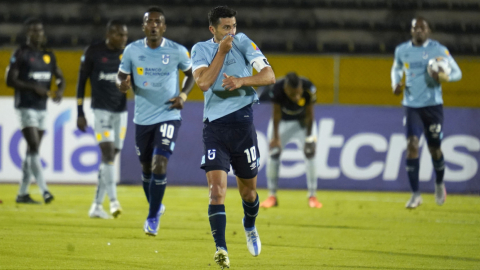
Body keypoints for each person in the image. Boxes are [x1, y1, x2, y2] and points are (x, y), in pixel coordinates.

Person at [191, 6, 276, 269]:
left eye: (233, 26)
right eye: (226, 27)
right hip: (215, 129)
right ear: (212, 30)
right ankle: (221, 249)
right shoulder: (200, 50)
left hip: (243, 128)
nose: (231, 31)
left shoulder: (243, 42)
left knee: (249, 194)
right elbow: (204, 83)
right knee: (216, 191)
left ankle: (249, 225)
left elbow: (269, 76)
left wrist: (241, 81)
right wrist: (221, 52)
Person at [116, 6, 194, 235]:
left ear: (164, 27)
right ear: (143, 27)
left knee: (160, 162)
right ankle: (157, 207)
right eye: (149, 22)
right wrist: (121, 83)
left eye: (158, 22)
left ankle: (151, 218)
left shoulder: (177, 51)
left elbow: (191, 74)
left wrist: (183, 95)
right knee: (146, 168)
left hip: (169, 114)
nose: (153, 26)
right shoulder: (131, 51)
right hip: (142, 117)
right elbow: (121, 75)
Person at [391, 17, 462, 209]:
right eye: (415, 28)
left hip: (433, 106)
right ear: (411, 31)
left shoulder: (438, 50)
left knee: (434, 149)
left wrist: (444, 76)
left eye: (422, 28)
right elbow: (396, 68)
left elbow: (458, 73)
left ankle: (439, 183)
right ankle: (415, 194)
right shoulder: (402, 50)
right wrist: (395, 82)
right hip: (411, 105)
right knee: (412, 145)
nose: (419, 31)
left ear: (428, 31)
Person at [6, 18, 65, 204]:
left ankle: (22, 193)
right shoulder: (21, 53)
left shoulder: (49, 55)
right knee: (33, 146)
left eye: (39, 30)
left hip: (42, 107)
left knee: (33, 151)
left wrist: (61, 90)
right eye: (33, 30)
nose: (37, 33)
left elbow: (60, 77)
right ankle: (45, 190)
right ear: (27, 33)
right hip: (25, 106)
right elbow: (10, 80)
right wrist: (33, 88)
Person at [76, 20, 128, 219]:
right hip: (100, 111)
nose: (123, 39)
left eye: (125, 35)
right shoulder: (94, 52)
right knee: (107, 154)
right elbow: (81, 82)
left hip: (121, 111)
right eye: (119, 35)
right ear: (109, 34)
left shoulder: (127, 55)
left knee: (110, 158)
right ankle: (114, 202)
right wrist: (80, 112)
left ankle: (96, 206)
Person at [257, 72, 322, 209]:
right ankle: (272, 196)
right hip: (283, 123)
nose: (297, 97)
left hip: (303, 124)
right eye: (293, 94)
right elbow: (276, 114)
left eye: (299, 93)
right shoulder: (277, 89)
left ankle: (312, 196)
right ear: (286, 89)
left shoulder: (308, 87)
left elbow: (310, 115)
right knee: (274, 153)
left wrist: (310, 138)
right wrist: (275, 138)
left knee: (310, 153)